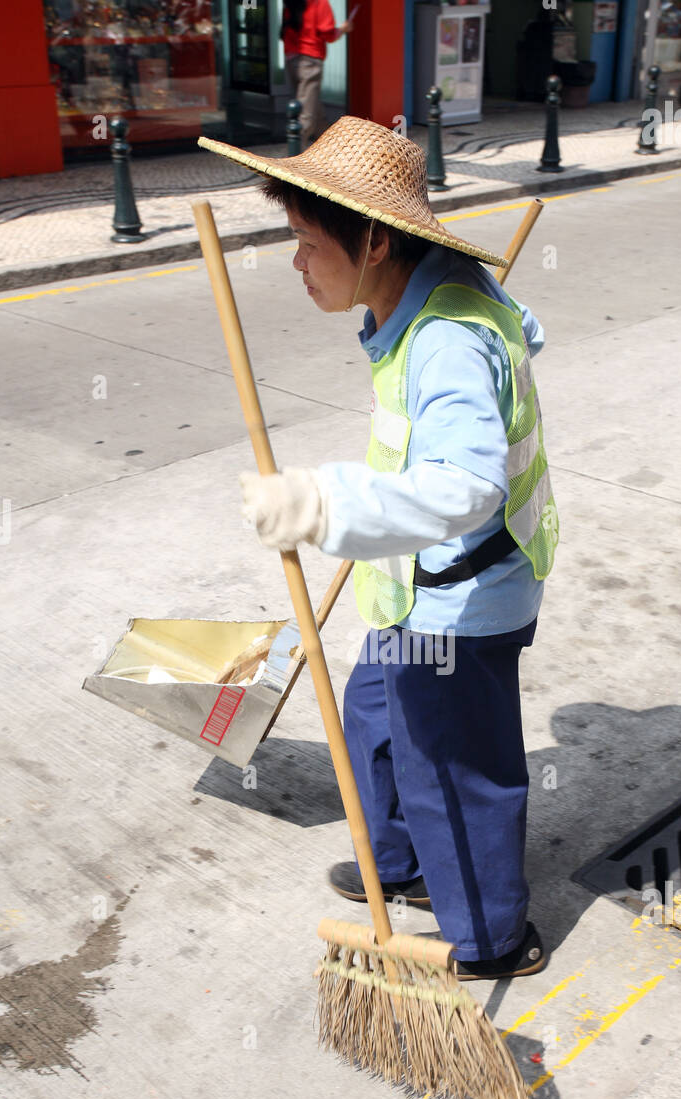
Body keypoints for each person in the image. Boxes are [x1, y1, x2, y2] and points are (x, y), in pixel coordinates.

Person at [199, 117, 559, 981]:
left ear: (370, 243)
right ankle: (392, 861)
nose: (295, 263)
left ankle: (485, 934)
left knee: (450, 769)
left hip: (463, 600)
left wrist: (323, 504)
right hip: (415, 586)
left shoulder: (446, 338)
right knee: (371, 715)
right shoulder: (412, 300)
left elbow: (464, 485)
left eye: (305, 243)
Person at [281, 1, 353, 145]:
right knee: (306, 115)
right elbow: (328, 33)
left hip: (291, 59)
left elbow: (285, 30)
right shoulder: (319, 3)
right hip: (310, 61)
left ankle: (331, 147)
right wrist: (343, 29)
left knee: (314, 109)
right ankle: (294, 154)